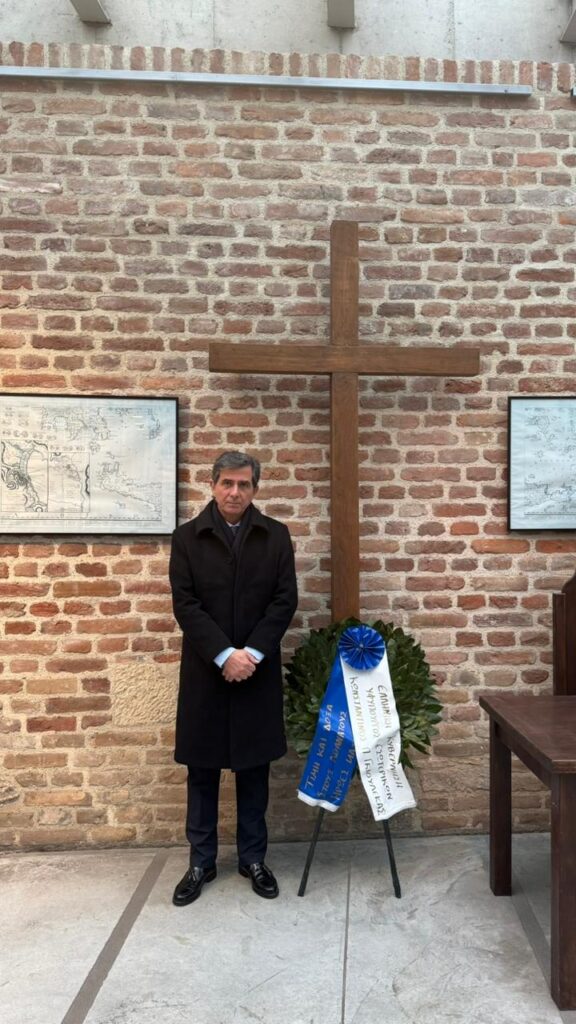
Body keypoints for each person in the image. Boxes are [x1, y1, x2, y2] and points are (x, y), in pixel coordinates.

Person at [169, 450, 298, 905]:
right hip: (206, 671)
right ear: (213, 485)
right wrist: (224, 655)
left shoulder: (275, 536)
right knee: (202, 770)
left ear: (255, 489)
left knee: (254, 769)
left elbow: (284, 600)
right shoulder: (187, 538)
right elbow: (185, 604)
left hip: (256, 672)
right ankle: (200, 861)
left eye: (244, 484)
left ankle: (253, 858)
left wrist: (252, 654)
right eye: (227, 483)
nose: (235, 492)